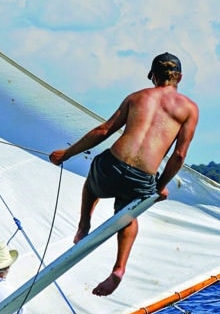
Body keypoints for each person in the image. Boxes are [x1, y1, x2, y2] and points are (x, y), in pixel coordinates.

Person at [49, 52, 199, 296]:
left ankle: (83, 225)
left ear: (152, 76)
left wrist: (66, 154)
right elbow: (179, 155)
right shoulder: (189, 109)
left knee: (92, 183)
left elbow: (104, 130)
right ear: (179, 77)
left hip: (112, 165)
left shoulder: (137, 98)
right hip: (141, 177)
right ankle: (119, 268)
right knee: (127, 214)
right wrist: (159, 185)